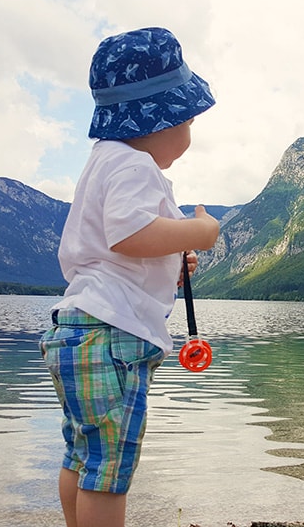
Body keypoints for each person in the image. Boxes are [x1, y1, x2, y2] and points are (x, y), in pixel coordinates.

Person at [39, 27, 220, 527]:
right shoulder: (135, 166)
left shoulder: (103, 162)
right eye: (188, 118)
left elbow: (113, 245)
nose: (189, 132)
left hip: (79, 329)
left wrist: (170, 259)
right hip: (110, 334)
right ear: (164, 118)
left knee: (83, 455)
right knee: (110, 470)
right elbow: (128, 234)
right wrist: (198, 232)